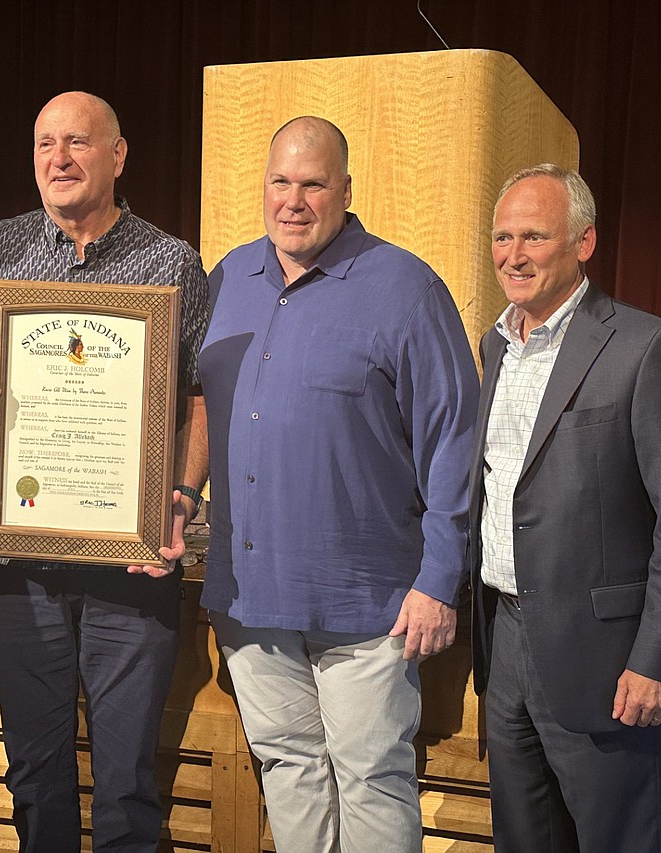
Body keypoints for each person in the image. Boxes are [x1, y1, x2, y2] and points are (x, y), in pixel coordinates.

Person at [197, 116, 479, 853]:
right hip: (251, 593)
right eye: (280, 182)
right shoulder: (226, 278)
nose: (294, 200)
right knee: (287, 769)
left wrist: (441, 580)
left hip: (370, 599)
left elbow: (454, 442)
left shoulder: (407, 288)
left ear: (346, 190)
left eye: (313, 183)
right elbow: (186, 407)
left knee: (371, 775)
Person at [0, 91, 209, 853]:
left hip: (127, 561)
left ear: (119, 156)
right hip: (17, 558)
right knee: (34, 775)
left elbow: (197, 399)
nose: (58, 159)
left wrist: (181, 500)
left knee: (128, 784)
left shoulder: (172, 261)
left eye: (77, 143)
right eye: (44, 144)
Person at [469, 164, 661, 852]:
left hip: (608, 659)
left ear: (584, 242)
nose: (513, 255)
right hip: (508, 639)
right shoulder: (496, 345)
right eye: (502, 237)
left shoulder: (647, 347)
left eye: (534, 237)